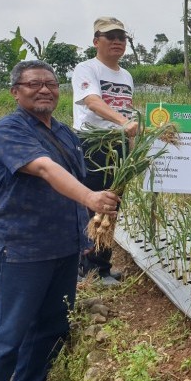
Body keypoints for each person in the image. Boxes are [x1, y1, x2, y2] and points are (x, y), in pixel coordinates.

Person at [0, 61, 120, 381]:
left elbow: (83, 172)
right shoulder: (8, 131)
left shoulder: (65, 132)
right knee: (9, 327)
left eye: (51, 84)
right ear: (15, 91)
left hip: (63, 246)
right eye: (34, 84)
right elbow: (44, 169)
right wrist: (90, 197)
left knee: (52, 323)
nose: (44, 90)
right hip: (20, 247)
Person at [71, 16, 136, 285]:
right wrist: (123, 123)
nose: (118, 42)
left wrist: (131, 146)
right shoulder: (87, 68)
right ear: (96, 41)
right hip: (93, 143)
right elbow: (92, 102)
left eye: (122, 37)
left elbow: (127, 110)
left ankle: (101, 265)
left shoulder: (126, 75)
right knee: (92, 203)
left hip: (117, 145)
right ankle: (88, 268)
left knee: (111, 207)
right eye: (111, 37)